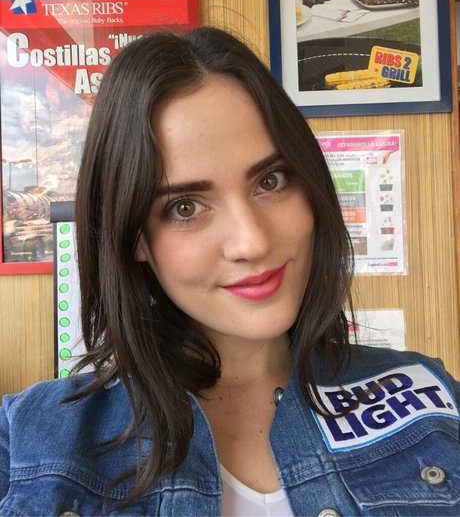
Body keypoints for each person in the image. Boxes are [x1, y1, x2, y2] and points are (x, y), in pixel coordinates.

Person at [0, 27, 459, 517]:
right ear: (134, 238)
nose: (252, 242)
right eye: (184, 207)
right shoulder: (28, 445)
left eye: (271, 180)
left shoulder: (430, 400)